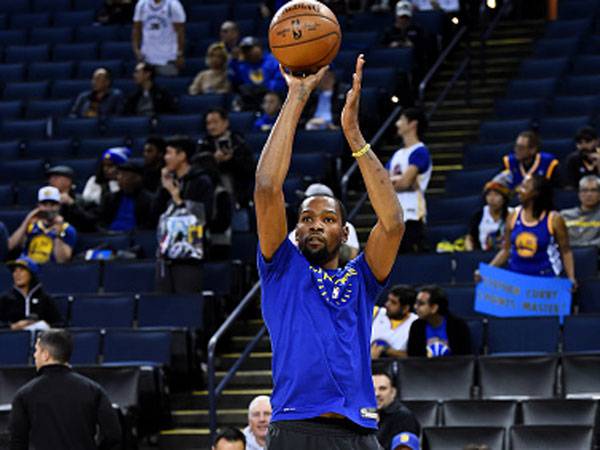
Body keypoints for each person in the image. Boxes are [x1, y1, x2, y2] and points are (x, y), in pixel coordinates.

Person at [255, 55, 404, 449]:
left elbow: (392, 223)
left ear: (343, 232)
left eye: (327, 218)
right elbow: (267, 188)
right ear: (296, 231)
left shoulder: (362, 278)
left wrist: (354, 136)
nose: (315, 223)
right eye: (305, 218)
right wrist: (297, 97)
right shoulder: (281, 268)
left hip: (359, 432)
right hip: (296, 428)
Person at [9, 329, 122, 450]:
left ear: (46, 355)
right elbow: (113, 435)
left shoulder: (24, 395)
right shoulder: (94, 390)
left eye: (36, 350)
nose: (34, 355)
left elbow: (17, 442)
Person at [484, 174, 576, 286]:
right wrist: (487, 271)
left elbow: (565, 251)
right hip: (516, 277)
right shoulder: (513, 215)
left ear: (535, 193)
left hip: (546, 278)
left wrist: (571, 277)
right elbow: (506, 250)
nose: (518, 189)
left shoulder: (554, 219)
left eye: (524, 187)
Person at [155, 136, 214, 294]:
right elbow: (153, 213)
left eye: (169, 153)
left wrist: (176, 197)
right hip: (165, 254)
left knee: (185, 304)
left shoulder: (201, 181)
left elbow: (202, 218)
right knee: (164, 305)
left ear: (182, 156)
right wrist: (164, 189)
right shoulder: (167, 182)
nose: (165, 157)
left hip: (190, 255)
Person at [388, 107, 432, 253]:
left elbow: (404, 182)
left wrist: (395, 182)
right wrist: (401, 181)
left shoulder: (420, 151)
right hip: (393, 215)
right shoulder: (397, 154)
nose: (397, 124)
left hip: (413, 215)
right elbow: (381, 182)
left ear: (413, 124)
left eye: (401, 120)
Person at [289, 183, 361, 263]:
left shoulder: (346, 226)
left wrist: (327, 245)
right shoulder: (300, 229)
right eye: (307, 219)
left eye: (328, 220)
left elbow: (353, 254)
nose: (316, 226)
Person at [198, 108, 255, 207]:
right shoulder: (204, 145)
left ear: (226, 123)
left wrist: (231, 160)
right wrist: (213, 160)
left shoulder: (239, 142)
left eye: (215, 122)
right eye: (208, 123)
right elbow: (198, 171)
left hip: (238, 199)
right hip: (212, 202)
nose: (211, 127)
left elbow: (250, 169)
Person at [8, 187, 77, 265]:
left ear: (59, 206)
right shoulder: (31, 226)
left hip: (51, 270)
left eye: (52, 204)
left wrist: (59, 233)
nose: (48, 208)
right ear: (39, 206)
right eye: (44, 204)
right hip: (27, 268)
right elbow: (10, 246)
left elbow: (61, 260)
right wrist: (26, 221)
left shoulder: (67, 229)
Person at [407, 285, 471, 357]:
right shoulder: (416, 327)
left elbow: (465, 360)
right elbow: (412, 360)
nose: (415, 307)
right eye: (416, 303)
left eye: (421, 304)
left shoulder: (458, 326)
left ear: (434, 308)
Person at [192, 151, 234, 260]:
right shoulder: (194, 192)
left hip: (218, 244)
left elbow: (223, 224)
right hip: (196, 241)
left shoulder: (221, 193)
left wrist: (203, 225)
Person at [0, 257, 61, 330]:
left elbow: (59, 324)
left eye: (22, 270)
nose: (17, 274)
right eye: (14, 271)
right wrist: (12, 326)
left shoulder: (44, 299)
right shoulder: (5, 299)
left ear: (31, 274)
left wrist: (45, 326)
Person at [97, 161, 158, 232]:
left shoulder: (149, 200)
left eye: (124, 175)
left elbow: (149, 226)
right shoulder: (109, 198)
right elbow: (100, 222)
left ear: (137, 178)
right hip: (109, 237)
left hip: (135, 238)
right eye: (119, 174)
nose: (119, 178)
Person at [228, 36, 285, 111]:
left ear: (259, 47)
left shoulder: (272, 61)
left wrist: (263, 87)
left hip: (272, 95)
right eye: (245, 51)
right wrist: (234, 61)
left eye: (250, 49)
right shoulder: (242, 66)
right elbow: (235, 81)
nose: (248, 53)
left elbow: (280, 82)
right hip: (252, 99)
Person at [132, 0, 186, 76]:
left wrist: (179, 54)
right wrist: (137, 50)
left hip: (168, 58)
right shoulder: (142, 4)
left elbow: (180, 31)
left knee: (166, 85)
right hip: (146, 59)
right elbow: (136, 29)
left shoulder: (173, 4)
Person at [372, 371, 420, 450]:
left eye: (382, 389)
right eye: (372, 389)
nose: (377, 394)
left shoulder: (404, 417)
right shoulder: (362, 415)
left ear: (393, 392)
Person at [371, 285, 418, 359]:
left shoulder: (416, 323)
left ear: (405, 308)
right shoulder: (375, 312)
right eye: (388, 300)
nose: (387, 304)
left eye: (393, 302)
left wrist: (385, 350)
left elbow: (415, 357)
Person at [465, 180, 512, 252]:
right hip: (483, 255)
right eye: (489, 194)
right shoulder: (478, 215)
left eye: (496, 194)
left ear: (504, 198)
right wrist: (471, 254)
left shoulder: (513, 214)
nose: (492, 199)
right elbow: (469, 238)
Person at [561, 175, 600, 249]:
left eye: (593, 190)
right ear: (579, 194)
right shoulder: (564, 215)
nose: (589, 194)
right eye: (585, 190)